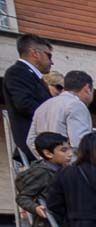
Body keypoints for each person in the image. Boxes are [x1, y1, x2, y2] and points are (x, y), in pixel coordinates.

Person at [15, 131, 70, 227]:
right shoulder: (43, 173)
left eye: (69, 149)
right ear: (48, 153)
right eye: (63, 150)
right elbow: (23, 197)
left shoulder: (62, 169)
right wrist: (36, 208)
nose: (69, 153)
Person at [4, 33, 53, 164]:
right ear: (35, 53)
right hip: (35, 147)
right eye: (49, 55)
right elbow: (24, 104)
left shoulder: (31, 75)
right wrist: (53, 115)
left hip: (43, 147)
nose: (51, 62)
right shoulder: (18, 72)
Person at [25, 68, 91, 154]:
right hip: (70, 165)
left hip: (47, 163)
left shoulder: (42, 106)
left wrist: (46, 158)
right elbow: (80, 142)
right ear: (87, 88)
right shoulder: (76, 105)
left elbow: (30, 141)